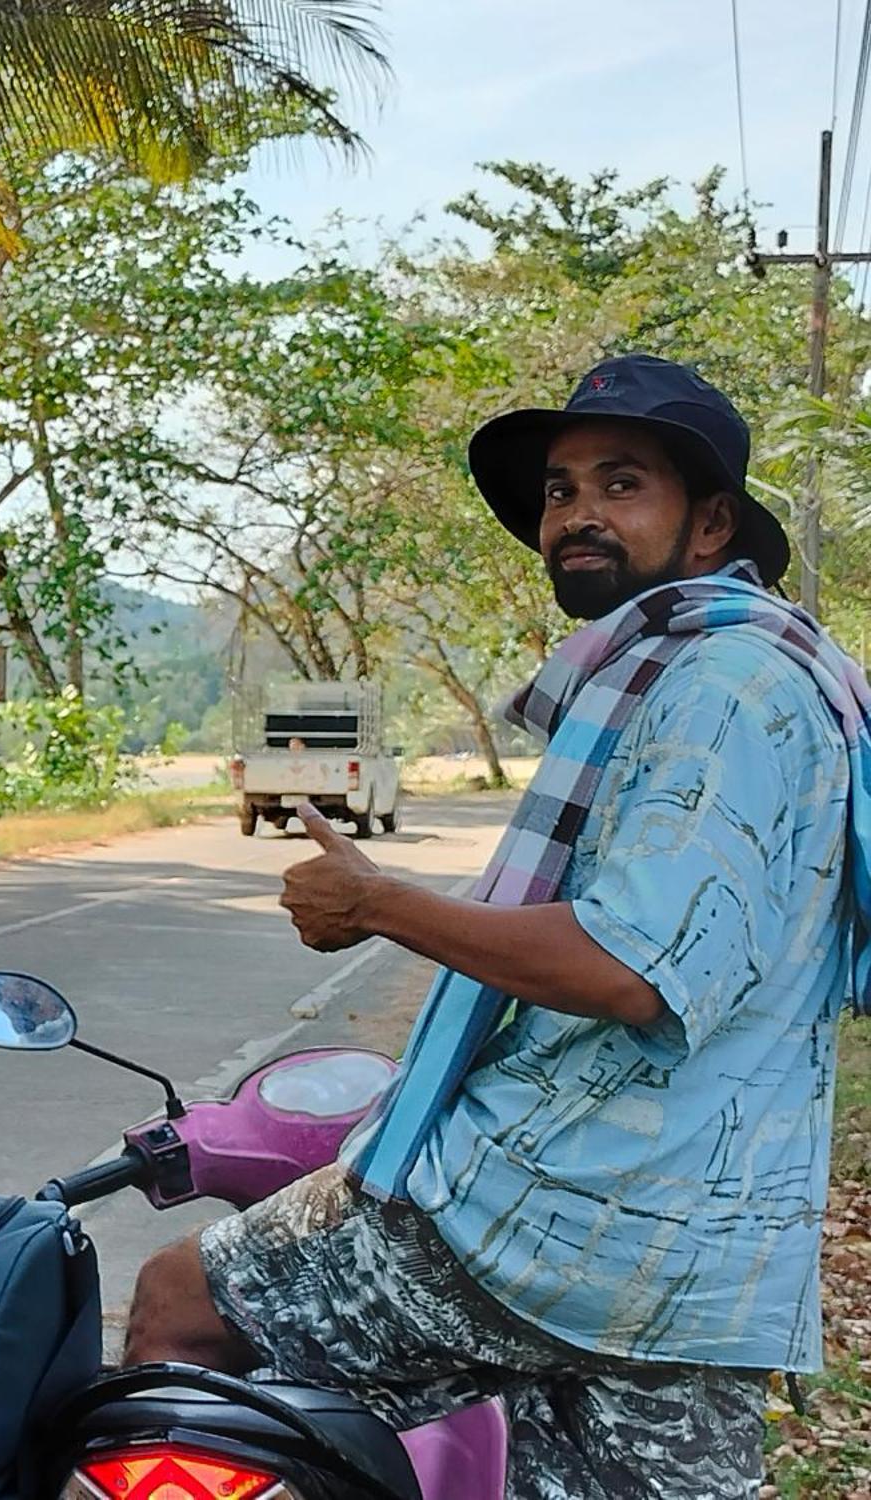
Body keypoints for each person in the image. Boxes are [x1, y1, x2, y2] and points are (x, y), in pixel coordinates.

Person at [125, 355, 871, 1499]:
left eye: (619, 486)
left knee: (184, 1305)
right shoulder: (767, 670)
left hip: (557, 1215)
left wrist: (381, 904)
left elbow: (630, 966)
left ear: (710, 521)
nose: (575, 516)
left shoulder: (715, 687)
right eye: (560, 491)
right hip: (700, 1265)